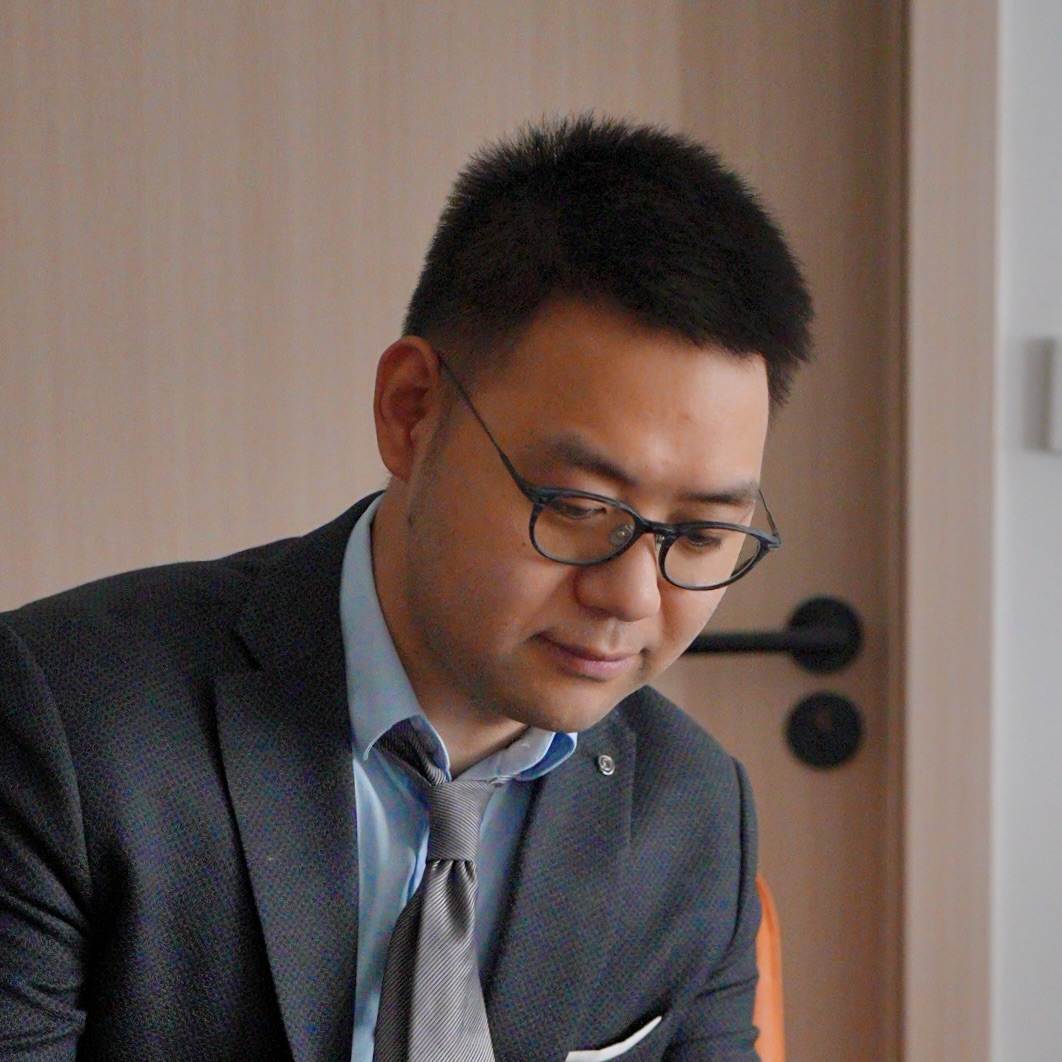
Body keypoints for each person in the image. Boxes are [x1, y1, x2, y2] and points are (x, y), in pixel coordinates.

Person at [0, 114, 812, 1061]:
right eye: (579, 507)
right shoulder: (67, 726)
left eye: (704, 535)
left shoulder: (693, 812)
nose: (632, 597)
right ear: (411, 411)